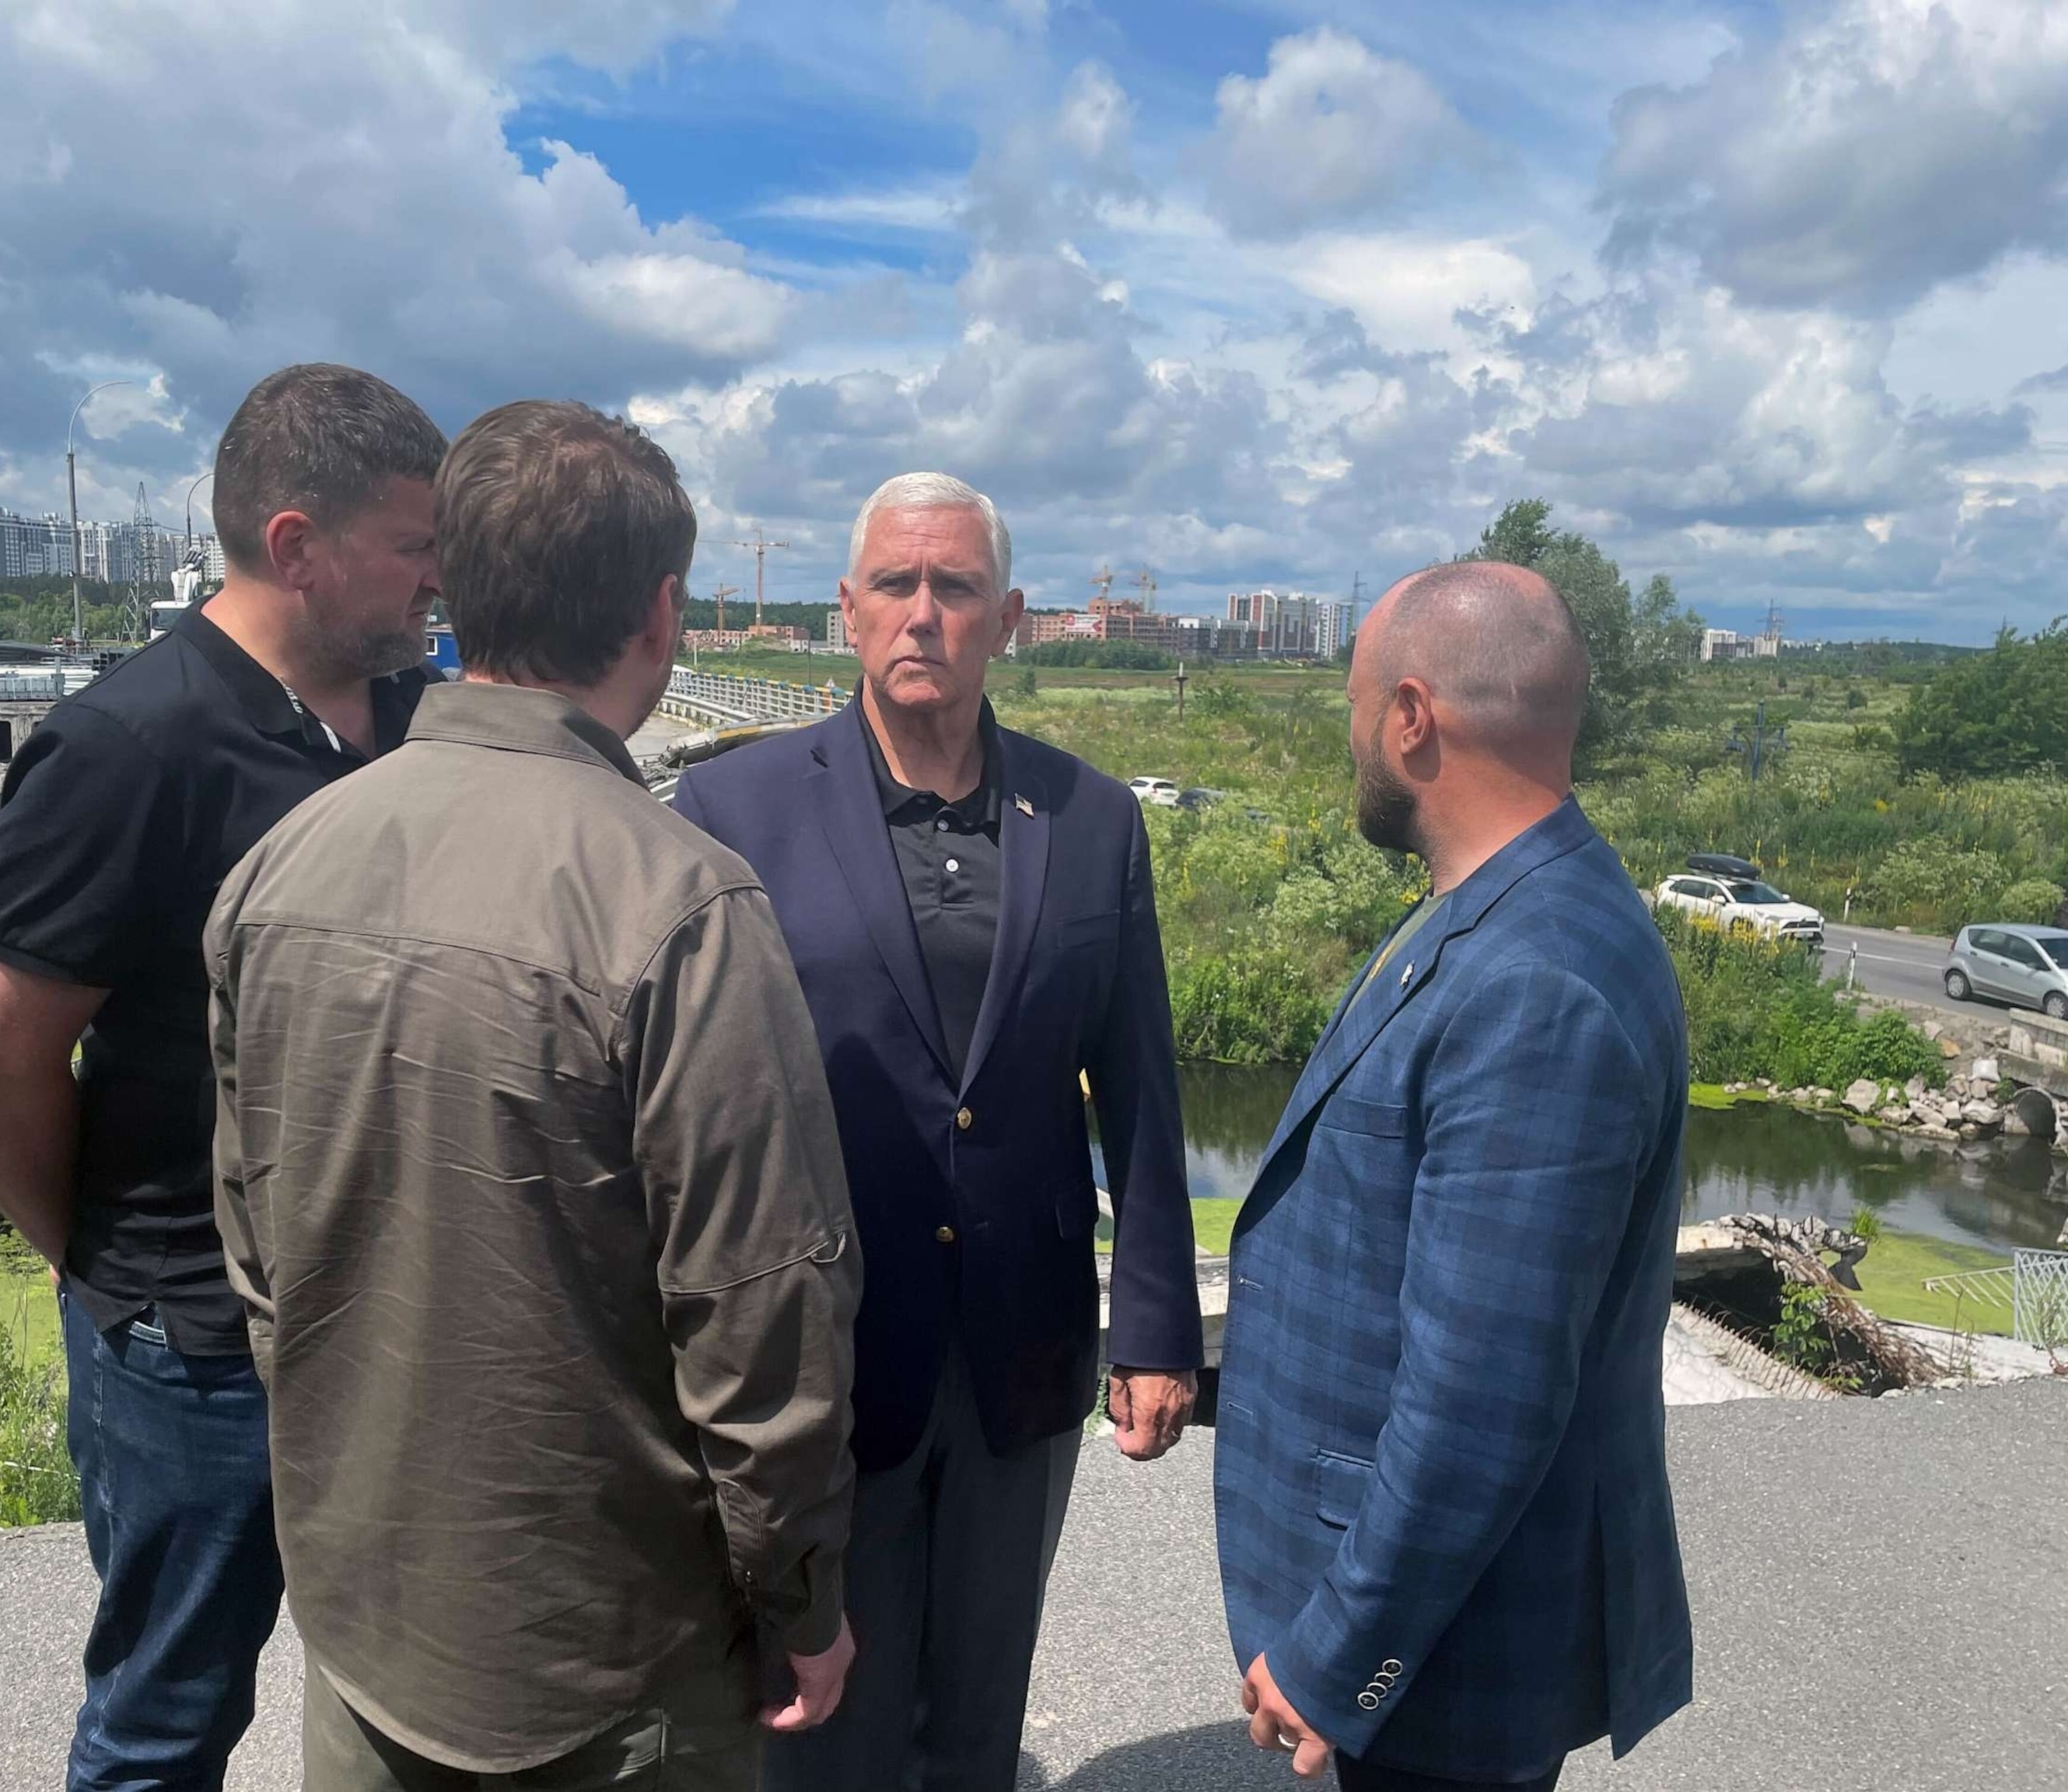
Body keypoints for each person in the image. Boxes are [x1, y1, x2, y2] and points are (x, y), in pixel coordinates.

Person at [208, 400, 863, 1792]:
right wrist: (800, 1598)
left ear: (458, 588)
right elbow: (761, 1316)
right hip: (611, 1654)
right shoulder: (680, 904)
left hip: (368, 1613)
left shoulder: (282, 868)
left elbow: (259, 1251)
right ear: (662, 612)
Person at [0, 363, 446, 1790]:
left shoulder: (403, 722)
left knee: (411, 1697)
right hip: (196, 1355)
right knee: (167, 1719)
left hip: (377, 1328)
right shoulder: (130, 746)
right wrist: (112, 1271)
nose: (437, 578)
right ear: (297, 545)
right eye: (414, 544)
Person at [673, 471, 1204, 1791]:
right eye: (897, 587)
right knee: (819, 1720)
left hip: (1019, 1348)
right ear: (846, 612)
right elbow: (696, 1107)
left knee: (978, 1706)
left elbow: (1138, 1084)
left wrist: (1151, 1327)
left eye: (956, 588)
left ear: (1007, 619)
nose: (926, 615)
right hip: (823, 1354)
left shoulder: (1091, 823)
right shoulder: (735, 812)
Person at [1213, 560, 1694, 1790]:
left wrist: (1342, 1657)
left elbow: (1487, 1394)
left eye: (1359, 704)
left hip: (1444, 1644)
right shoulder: (1502, 908)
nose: (1355, 737)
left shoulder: (1536, 982)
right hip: (1434, 1617)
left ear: (1413, 717)